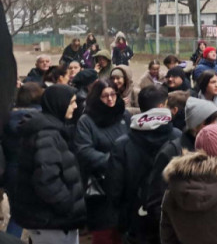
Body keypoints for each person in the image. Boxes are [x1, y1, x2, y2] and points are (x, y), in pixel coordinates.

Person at [106, 84, 180, 244]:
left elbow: (114, 187)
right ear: (163, 106)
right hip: (170, 216)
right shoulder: (178, 138)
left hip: (134, 218)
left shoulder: (122, 144)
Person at [14, 85, 85, 244]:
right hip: (52, 222)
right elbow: (46, 179)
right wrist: (68, 205)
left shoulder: (53, 128)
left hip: (51, 220)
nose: (75, 106)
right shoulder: (47, 133)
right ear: (59, 103)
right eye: (72, 102)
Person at [146, 98, 217, 231]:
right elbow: (156, 201)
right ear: (198, 125)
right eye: (212, 122)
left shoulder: (213, 148)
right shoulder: (171, 152)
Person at [75, 80, 130, 244]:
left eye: (113, 94)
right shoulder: (87, 120)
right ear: (96, 98)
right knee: (104, 232)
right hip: (100, 185)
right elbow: (84, 151)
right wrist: (113, 162)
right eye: (105, 96)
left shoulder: (124, 115)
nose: (110, 99)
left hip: (125, 181)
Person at [2, 82, 44, 238]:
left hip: (12, 172)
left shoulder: (5, 120)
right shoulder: (43, 119)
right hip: (36, 170)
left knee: (17, 216)